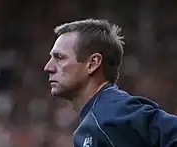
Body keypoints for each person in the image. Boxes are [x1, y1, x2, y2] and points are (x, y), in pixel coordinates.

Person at [44, 18, 177, 147]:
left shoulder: (114, 112)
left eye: (60, 58)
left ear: (93, 64)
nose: (48, 67)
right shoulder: (96, 118)